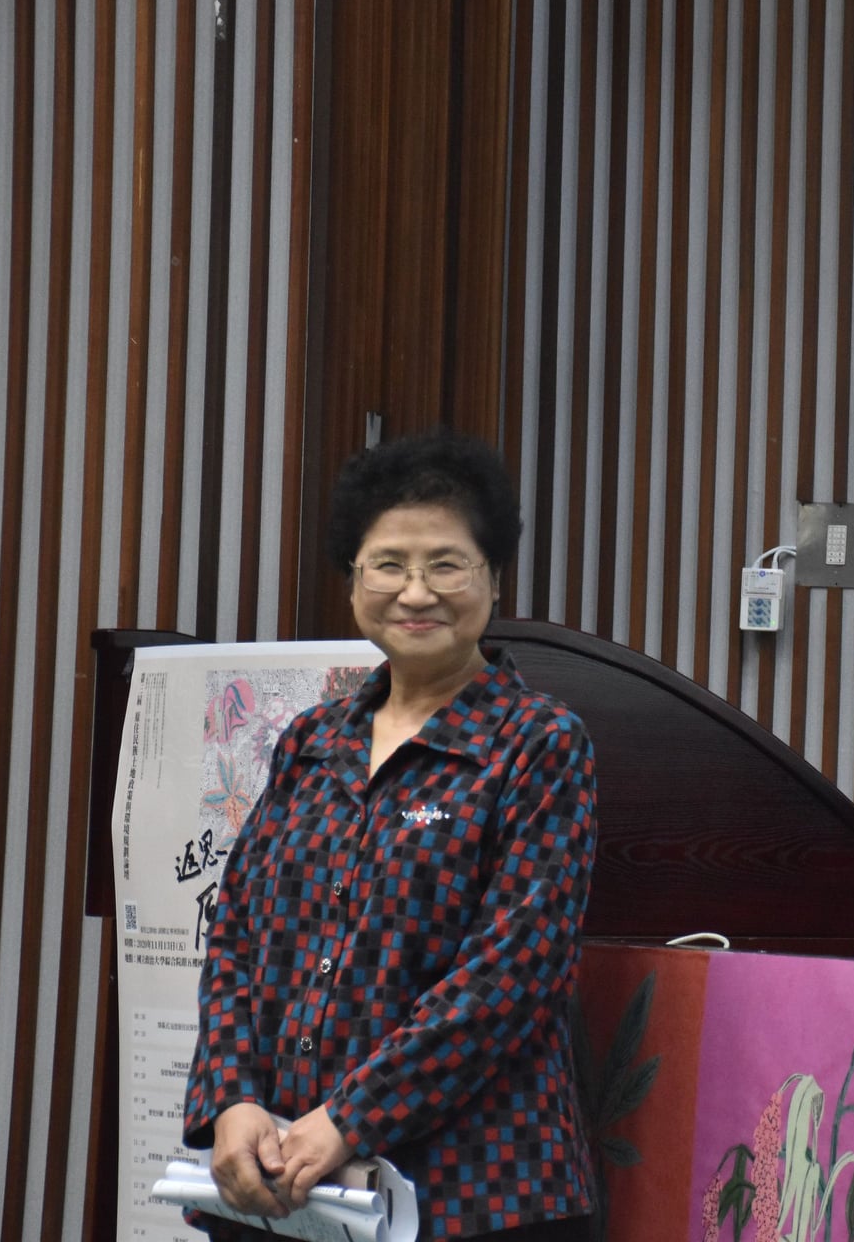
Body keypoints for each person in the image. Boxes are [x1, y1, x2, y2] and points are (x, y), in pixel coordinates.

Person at [182, 431, 599, 1241]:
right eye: (388, 564)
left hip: (475, 1195)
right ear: (352, 580)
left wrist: (351, 1118)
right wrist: (230, 1099)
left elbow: (511, 975)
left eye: (446, 564)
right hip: (285, 1184)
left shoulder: (538, 743)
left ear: (493, 578)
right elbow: (234, 935)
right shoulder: (310, 741)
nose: (416, 591)